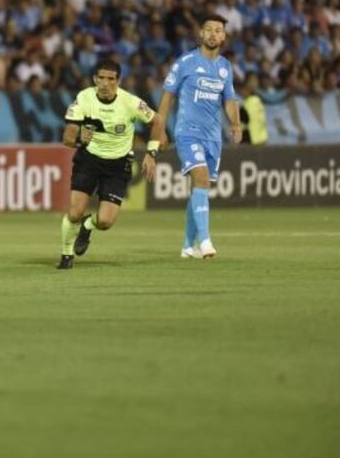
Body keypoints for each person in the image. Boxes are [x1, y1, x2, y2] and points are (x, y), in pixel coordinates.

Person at [152, 15, 241, 259]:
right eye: (209, 30)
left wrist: (236, 123)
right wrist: (160, 130)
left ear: (223, 36)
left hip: (213, 137)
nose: (213, 34)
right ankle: (206, 242)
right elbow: (168, 95)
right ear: (201, 34)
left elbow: (229, 98)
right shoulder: (186, 62)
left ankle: (187, 246)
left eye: (218, 30)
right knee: (200, 177)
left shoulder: (225, 67)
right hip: (187, 132)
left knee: (199, 187)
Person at [58, 58, 158, 270]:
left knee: (105, 222)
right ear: (94, 79)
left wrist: (151, 153)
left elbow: (157, 122)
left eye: (110, 79)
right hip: (89, 159)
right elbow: (68, 136)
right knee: (74, 212)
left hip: (118, 164)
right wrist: (78, 140)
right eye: (100, 78)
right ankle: (66, 255)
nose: (104, 83)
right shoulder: (84, 98)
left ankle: (87, 226)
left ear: (118, 81)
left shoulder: (130, 102)